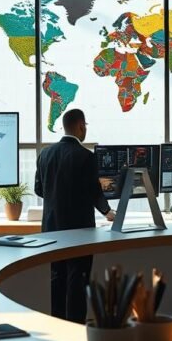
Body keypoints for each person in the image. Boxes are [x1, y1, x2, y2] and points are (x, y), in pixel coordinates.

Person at [34, 109, 116, 322]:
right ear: (80, 126)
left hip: (52, 229)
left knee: (57, 279)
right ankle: (76, 327)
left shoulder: (45, 154)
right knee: (77, 281)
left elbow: (39, 189)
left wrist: (56, 198)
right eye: (85, 126)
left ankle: (58, 324)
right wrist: (108, 212)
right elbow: (93, 192)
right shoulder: (86, 157)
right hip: (79, 231)